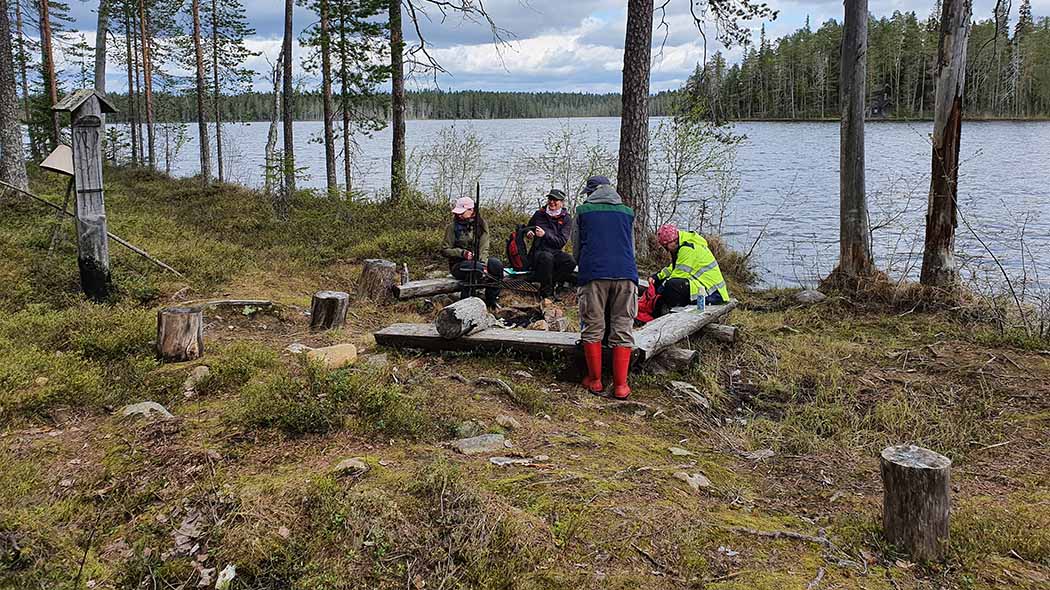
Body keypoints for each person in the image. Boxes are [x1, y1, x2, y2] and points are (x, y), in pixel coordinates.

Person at [572, 176, 638, 399]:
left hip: (594, 274)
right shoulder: (627, 212)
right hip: (626, 274)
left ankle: (595, 381)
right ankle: (621, 386)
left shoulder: (582, 212)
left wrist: (585, 266)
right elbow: (632, 248)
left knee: (593, 326)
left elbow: (576, 250)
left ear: (591, 192)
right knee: (622, 326)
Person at [651, 224, 730, 317]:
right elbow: (675, 267)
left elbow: (678, 275)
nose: (666, 249)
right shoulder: (683, 244)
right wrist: (657, 277)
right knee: (665, 284)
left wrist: (659, 291)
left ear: (674, 240)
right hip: (702, 285)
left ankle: (671, 313)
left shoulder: (687, 248)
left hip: (713, 293)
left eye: (666, 245)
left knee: (671, 286)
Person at [441, 196, 505, 307]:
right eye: (458, 212)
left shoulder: (481, 224)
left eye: (462, 212)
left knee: (496, 265)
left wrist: (484, 263)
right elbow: (445, 250)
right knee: (475, 268)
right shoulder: (452, 228)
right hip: (458, 265)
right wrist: (462, 253)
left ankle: (491, 300)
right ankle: (466, 302)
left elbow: (484, 246)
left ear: (471, 211)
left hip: (479, 261)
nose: (459, 215)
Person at [526, 189, 575, 298]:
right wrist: (529, 232)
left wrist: (545, 235)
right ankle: (546, 293)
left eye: (555, 200)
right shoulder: (539, 214)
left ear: (561, 202)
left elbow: (561, 242)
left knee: (571, 261)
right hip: (539, 251)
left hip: (556, 251)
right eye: (550, 199)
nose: (552, 202)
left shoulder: (566, 219)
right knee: (546, 258)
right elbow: (528, 227)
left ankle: (553, 283)